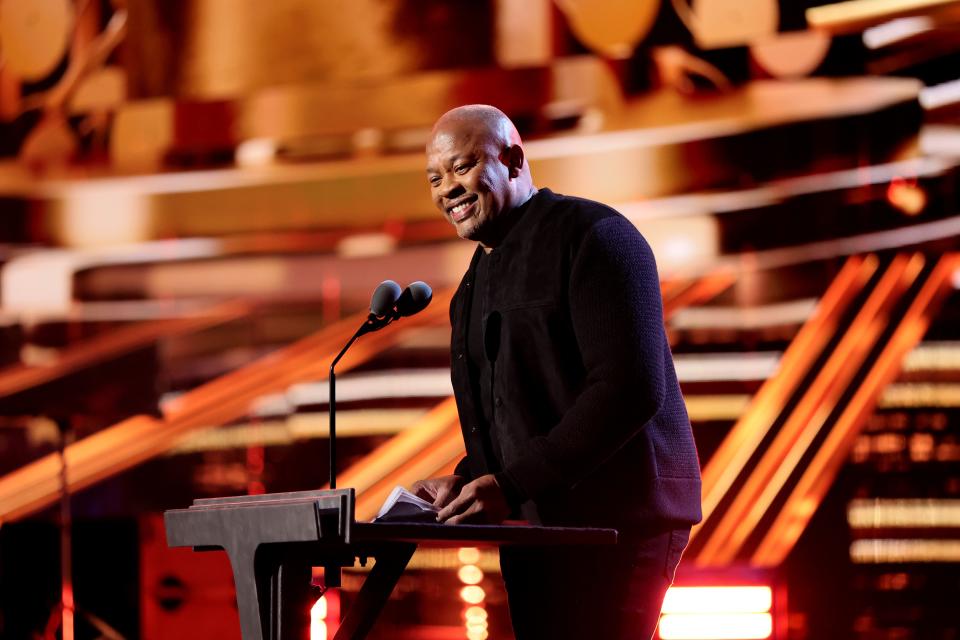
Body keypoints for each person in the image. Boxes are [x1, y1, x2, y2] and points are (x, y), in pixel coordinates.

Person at [412, 104, 701, 640]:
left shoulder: (595, 235)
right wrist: (468, 479)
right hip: (534, 524)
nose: (446, 188)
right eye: (434, 178)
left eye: (462, 166)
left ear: (514, 159)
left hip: (620, 524)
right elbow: (508, 415)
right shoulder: (471, 287)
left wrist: (512, 483)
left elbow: (630, 389)